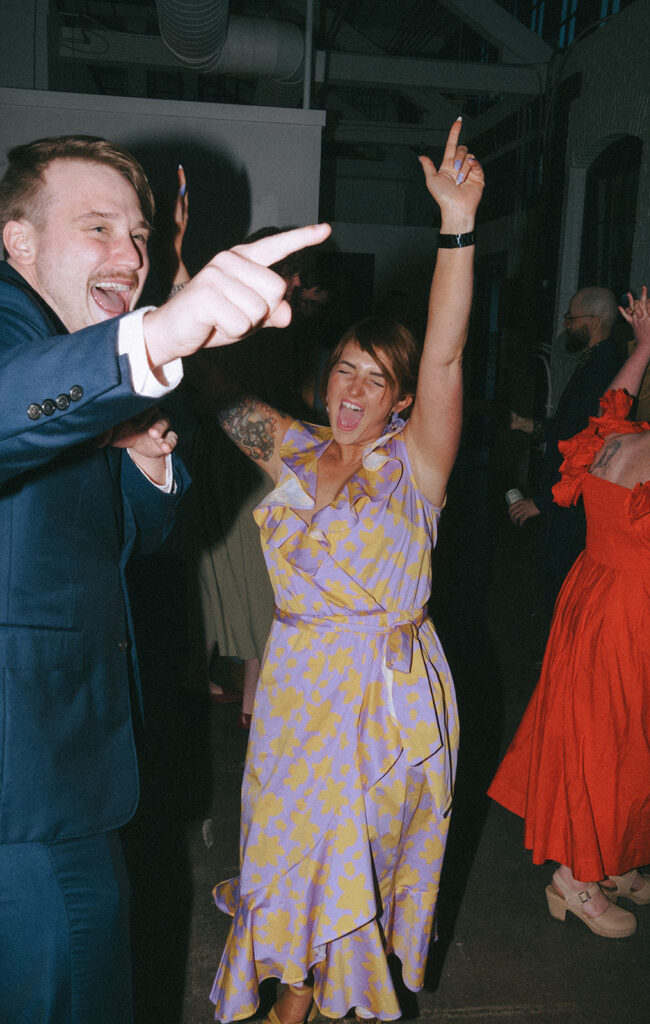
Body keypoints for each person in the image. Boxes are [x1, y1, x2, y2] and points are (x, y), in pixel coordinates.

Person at [0, 133, 330, 1023]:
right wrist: (156, 335)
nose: (130, 256)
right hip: (24, 773)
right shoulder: (19, 330)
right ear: (18, 244)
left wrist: (144, 467)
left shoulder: (77, 357)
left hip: (62, 753)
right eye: (97, 227)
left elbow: (129, 540)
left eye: (138, 235)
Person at [207, 118, 483, 1023]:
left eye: (376, 379)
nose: (354, 390)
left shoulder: (418, 467)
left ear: (401, 399)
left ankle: (311, 1000)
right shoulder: (292, 449)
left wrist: (454, 227)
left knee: (353, 850)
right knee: (289, 842)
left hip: (380, 696)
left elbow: (443, 350)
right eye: (345, 371)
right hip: (294, 687)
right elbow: (213, 395)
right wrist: (183, 290)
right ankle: (293, 984)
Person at [488, 288, 650, 938]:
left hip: (595, 602)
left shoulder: (617, 438)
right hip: (631, 621)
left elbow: (612, 401)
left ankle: (611, 859)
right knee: (616, 743)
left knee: (617, 737)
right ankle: (574, 878)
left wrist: (647, 343)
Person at [508, 287, 628, 610]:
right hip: (565, 499)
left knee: (564, 588)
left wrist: (545, 503)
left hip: (572, 503)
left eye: (571, 318)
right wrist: (528, 425)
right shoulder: (596, 361)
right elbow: (572, 427)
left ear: (593, 321)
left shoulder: (605, 368)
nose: (566, 325)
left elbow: (591, 446)